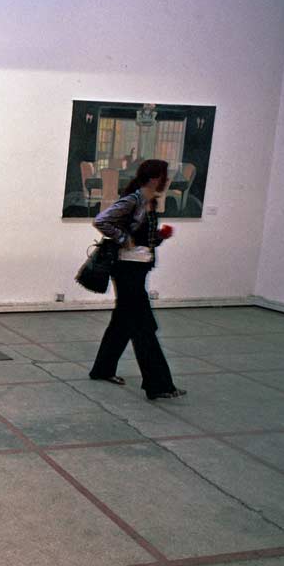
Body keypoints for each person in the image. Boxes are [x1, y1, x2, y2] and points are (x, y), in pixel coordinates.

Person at [88, 159, 186, 401]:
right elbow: (101, 220)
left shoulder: (149, 201)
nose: (166, 180)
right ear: (154, 178)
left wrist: (159, 236)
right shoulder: (134, 199)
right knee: (144, 327)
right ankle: (159, 384)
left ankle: (102, 369)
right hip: (127, 269)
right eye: (164, 176)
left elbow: (142, 236)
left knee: (122, 322)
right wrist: (124, 239)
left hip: (138, 268)